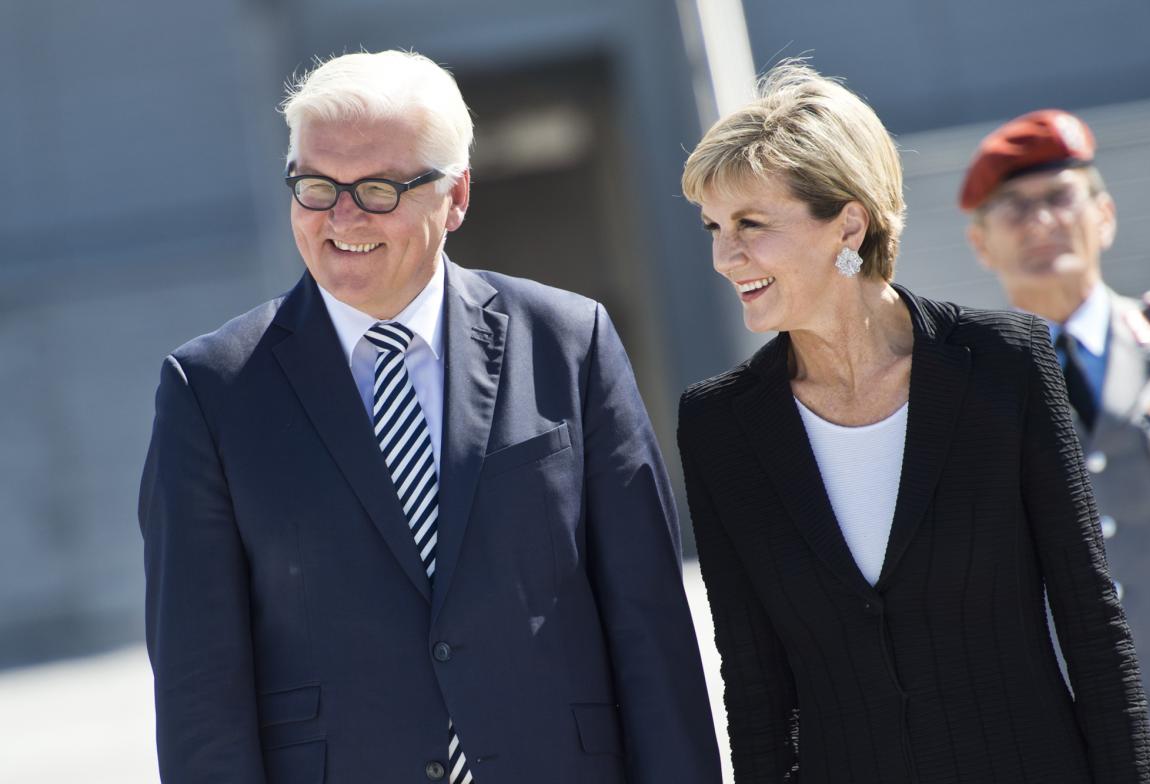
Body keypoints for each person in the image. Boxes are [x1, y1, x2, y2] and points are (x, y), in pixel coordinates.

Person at [139, 49, 721, 784]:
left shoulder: (569, 342)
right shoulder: (209, 389)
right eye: (316, 186)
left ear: (456, 196)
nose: (341, 216)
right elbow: (198, 685)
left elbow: (650, 627)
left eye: (378, 189)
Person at [676, 60, 1150, 783]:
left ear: (848, 222)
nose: (723, 256)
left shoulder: (1004, 363)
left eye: (750, 224)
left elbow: (1092, 623)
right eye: (714, 226)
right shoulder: (719, 424)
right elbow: (753, 685)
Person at [962, 108, 1150, 782]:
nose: (1041, 221)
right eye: (1013, 208)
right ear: (980, 244)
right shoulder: (961, 394)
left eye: (1060, 197)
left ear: (1104, 215)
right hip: (1068, 735)